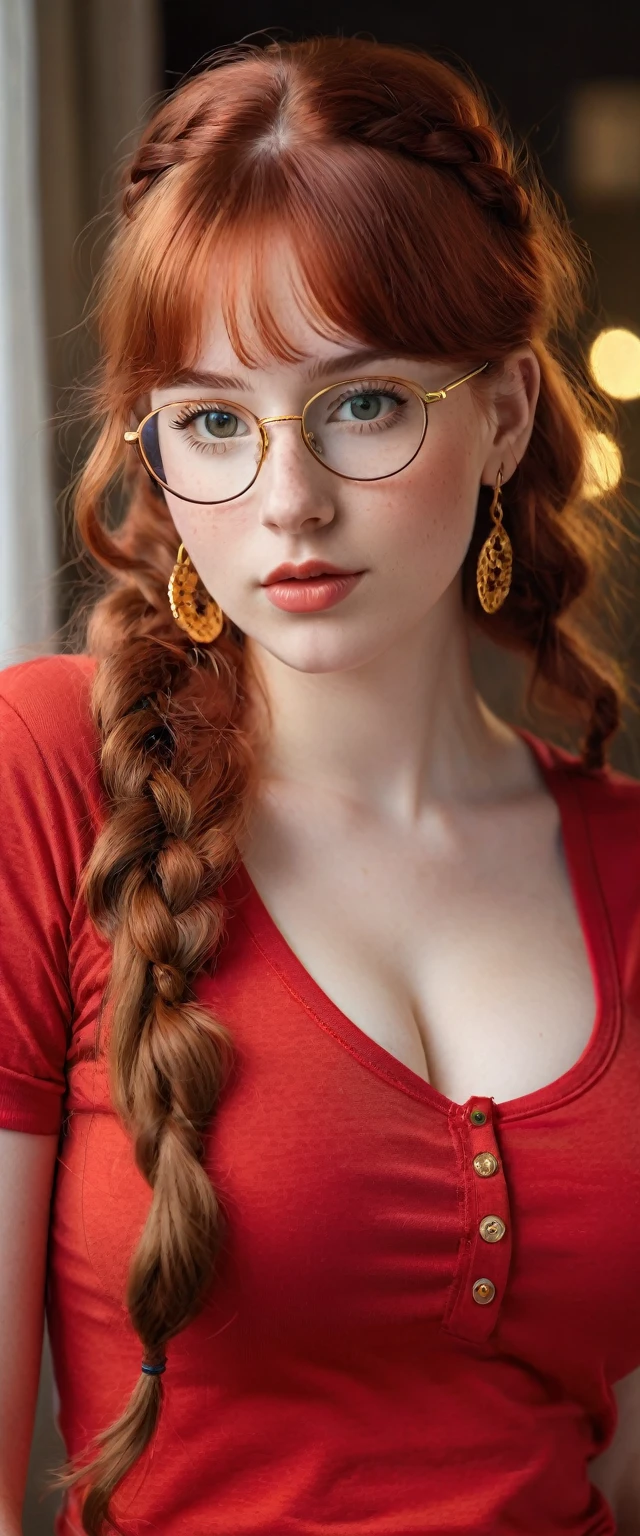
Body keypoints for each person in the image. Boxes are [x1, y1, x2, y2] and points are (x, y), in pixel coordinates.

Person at [1, 33, 639, 1536]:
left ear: (501, 415)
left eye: (362, 404)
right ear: (157, 459)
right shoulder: (50, 772)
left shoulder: (627, 862)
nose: (287, 500)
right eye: (216, 422)